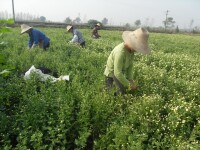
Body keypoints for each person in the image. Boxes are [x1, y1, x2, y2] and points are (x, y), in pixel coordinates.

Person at [104, 27, 151, 95]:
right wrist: (129, 85)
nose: (137, 50)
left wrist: (131, 80)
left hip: (120, 73)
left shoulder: (131, 52)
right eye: (138, 47)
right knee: (114, 92)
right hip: (112, 73)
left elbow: (130, 66)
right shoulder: (120, 52)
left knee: (123, 89)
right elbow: (117, 73)